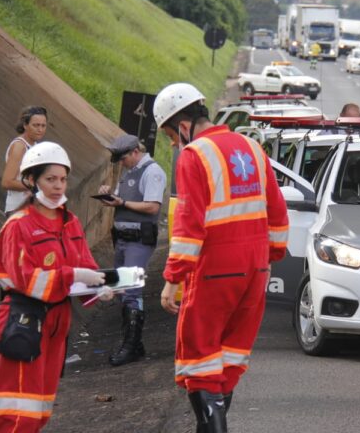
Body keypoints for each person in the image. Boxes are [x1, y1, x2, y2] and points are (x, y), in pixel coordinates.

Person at [153, 83, 289, 433]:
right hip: (255, 270)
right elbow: (277, 210)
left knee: (199, 360)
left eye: (171, 135)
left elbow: (189, 225)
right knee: (229, 360)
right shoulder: (252, 148)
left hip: (214, 269)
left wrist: (172, 279)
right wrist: (271, 254)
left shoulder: (194, 155)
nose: (174, 144)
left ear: (183, 126)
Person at [0, 142, 113, 432]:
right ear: (31, 180)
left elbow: (85, 264)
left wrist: (98, 287)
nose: (58, 186)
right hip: (24, 318)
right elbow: (25, 279)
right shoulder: (18, 226)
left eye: (63, 179)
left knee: (41, 410)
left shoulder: (69, 222)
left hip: (58, 320)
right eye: (50, 179)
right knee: (18, 413)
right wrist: (73, 274)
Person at [97, 134, 167, 366]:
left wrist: (122, 203)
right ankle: (134, 343)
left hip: (139, 239)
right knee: (121, 289)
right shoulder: (130, 171)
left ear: (135, 152)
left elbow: (152, 206)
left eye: (123, 158)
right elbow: (123, 198)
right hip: (122, 239)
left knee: (131, 290)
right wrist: (110, 195)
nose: (121, 163)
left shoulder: (152, 172)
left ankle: (130, 346)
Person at [2, 106, 47, 216]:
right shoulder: (20, 146)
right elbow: (7, 182)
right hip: (17, 210)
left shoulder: (34, 145)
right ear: (25, 125)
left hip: (31, 209)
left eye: (43, 125)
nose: (40, 129)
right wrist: (35, 185)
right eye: (36, 125)